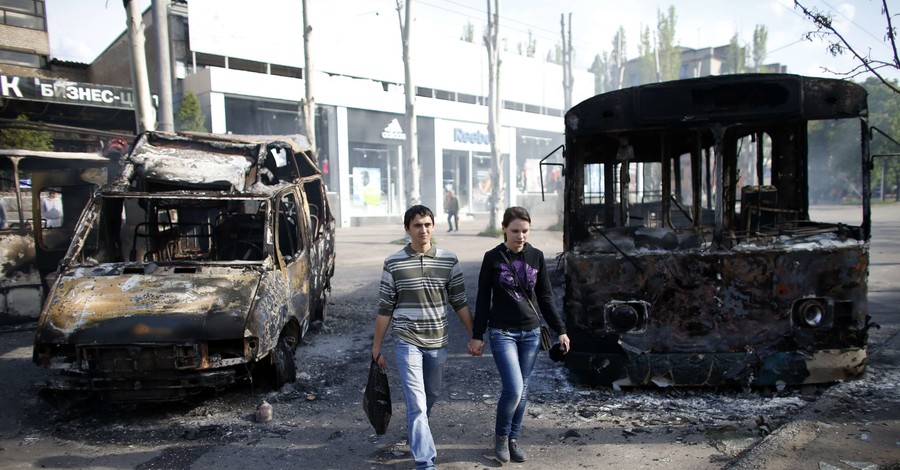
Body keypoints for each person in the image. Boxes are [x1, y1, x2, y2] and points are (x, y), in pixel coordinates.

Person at [371, 205, 475, 470]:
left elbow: (460, 301)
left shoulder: (448, 260)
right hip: (406, 340)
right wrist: (377, 348)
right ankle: (424, 461)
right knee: (416, 402)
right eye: (417, 225)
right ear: (408, 229)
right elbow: (385, 308)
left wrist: (475, 335)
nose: (423, 230)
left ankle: (419, 430)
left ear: (433, 226)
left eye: (428, 224)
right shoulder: (393, 262)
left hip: (438, 340)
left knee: (431, 394)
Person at [467, 206, 570, 463]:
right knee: (513, 389)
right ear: (504, 229)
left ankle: (513, 439)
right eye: (515, 231)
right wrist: (477, 335)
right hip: (502, 333)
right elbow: (482, 299)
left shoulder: (536, 256)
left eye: (525, 231)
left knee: (523, 391)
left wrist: (561, 331)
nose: (520, 236)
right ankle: (500, 437)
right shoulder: (492, 258)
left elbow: (545, 297)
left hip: (532, 333)